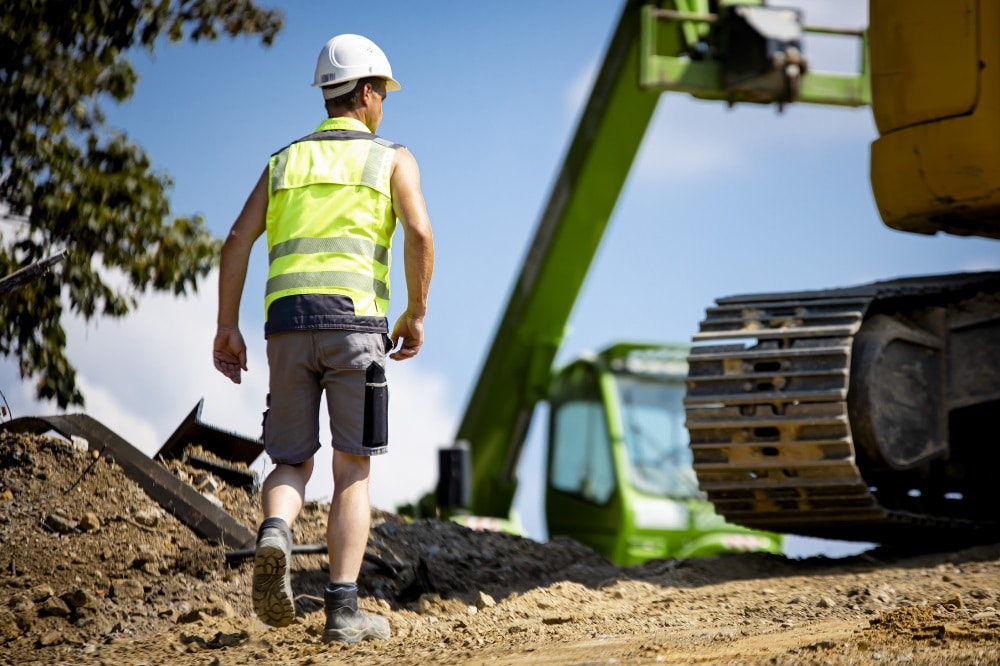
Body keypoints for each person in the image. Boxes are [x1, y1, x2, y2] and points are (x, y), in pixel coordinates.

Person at [212, 33, 433, 644]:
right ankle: (342, 610)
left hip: (286, 326)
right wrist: (415, 313)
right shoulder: (392, 158)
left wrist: (227, 327)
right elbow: (417, 230)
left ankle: (275, 536)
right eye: (382, 92)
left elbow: (236, 241)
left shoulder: (284, 160)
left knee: (289, 460)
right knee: (352, 468)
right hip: (355, 326)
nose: (384, 103)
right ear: (365, 92)